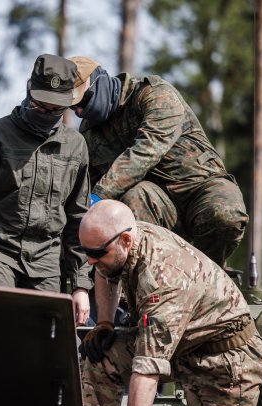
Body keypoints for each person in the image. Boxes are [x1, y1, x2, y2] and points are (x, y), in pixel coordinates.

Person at [78, 200, 262, 406]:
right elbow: (105, 270)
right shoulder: (122, 244)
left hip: (225, 360)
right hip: (183, 348)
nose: (90, 260)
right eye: (86, 251)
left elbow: (148, 366)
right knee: (101, 357)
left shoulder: (163, 279)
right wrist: (105, 323)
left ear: (126, 240)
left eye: (96, 252)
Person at [0, 53, 92, 324]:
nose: (47, 114)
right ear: (28, 92)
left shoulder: (76, 146)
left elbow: (78, 219)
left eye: (55, 109)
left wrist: (80, 285)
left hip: (46, 259)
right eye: (41, 105)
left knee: (43, 342)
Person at [67, 56, 248, 268]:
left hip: (200, 187)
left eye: (83, 101)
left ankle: (207, 275)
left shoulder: (153, 93)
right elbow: (88, 183)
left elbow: (149, 148)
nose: (79, 111)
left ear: (100, 82)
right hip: (157, 202)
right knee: (133, 200)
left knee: (225, 213)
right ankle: (148, 278)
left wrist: (99, 195)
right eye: (73, 108)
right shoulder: (91, 132)